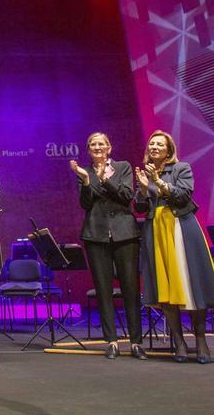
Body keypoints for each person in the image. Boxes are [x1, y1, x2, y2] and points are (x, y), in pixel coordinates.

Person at [136, 130, 214, 364]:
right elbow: (140, 206)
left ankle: (200, 339)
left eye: (159, 144)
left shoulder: (181, 168)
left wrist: (158, 182)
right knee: (165, 286)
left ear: (168, 150)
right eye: (151, 144)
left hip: (181, 227)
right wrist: (145, 188)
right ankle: (179, 341)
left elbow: (183, 196)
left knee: (191, 281)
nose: (154, 147)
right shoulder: (145, 172)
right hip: (156, 230)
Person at [70, 132, 146, 360]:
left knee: (130, 289)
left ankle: (135, 342)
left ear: (109, 147)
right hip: (96, 235)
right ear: (88, 149)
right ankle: (111, 341)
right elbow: (86, 203)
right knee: (103, 290)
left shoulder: (122, 167)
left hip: (125, 233)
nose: (97, 146)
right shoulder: (84, 172)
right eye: (92, 144)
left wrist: (104, 179)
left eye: (101, 143)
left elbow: (126, 196)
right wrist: (86, 180)